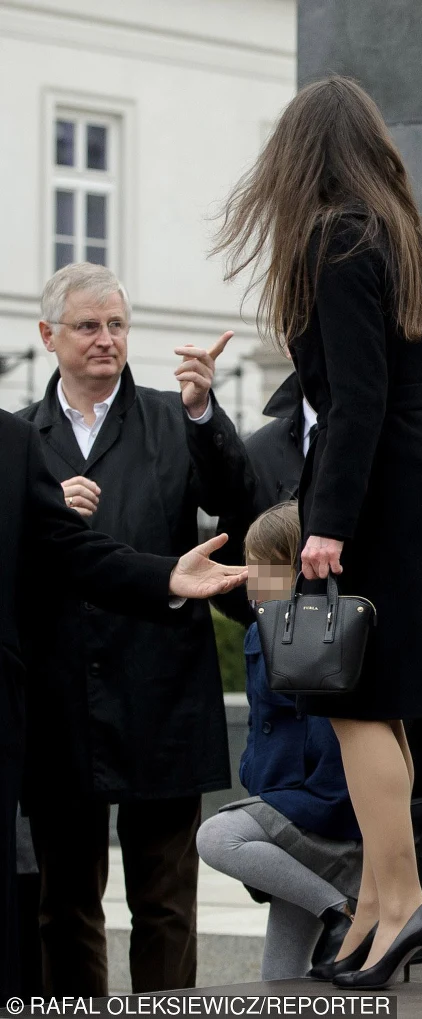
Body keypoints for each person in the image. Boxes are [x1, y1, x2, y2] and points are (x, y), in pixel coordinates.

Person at [214, 75, 422, 990]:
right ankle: (376, 903)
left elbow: (356, 398)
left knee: (357, 705)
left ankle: (398, 902)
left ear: (301, 158)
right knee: (386, 702)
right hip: (411, 483)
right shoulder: (403, 239)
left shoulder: (335, 235)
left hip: (369, 493)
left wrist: (325, 522)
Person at [16, 262, 256, 995]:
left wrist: (204, 415)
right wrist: (47, 508)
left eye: (116, 325)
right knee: (64, 906)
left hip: (162, 687)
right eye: (88, 326)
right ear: (47, 335)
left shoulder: (169, 416)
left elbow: (240, 501)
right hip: (61, 696)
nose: (105, 339)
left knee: (163, 903)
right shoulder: (22, 437)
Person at [215, 369, 422, 780]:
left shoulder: (418, 444)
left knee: (405, 834)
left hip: (397, 690)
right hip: (294, 733)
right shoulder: (262, 450)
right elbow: (245, 578)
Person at [196, 502, 365, 981]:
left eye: (262, 569)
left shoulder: (321, 635)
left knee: (216, 836)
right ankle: (337, 906)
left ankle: (343, 911)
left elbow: (326, 741)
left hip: (317, 814)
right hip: (289, 808)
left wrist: (282, 808)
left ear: (297, 568)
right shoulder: (261, 633)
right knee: (280, 980)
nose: (251, 582)